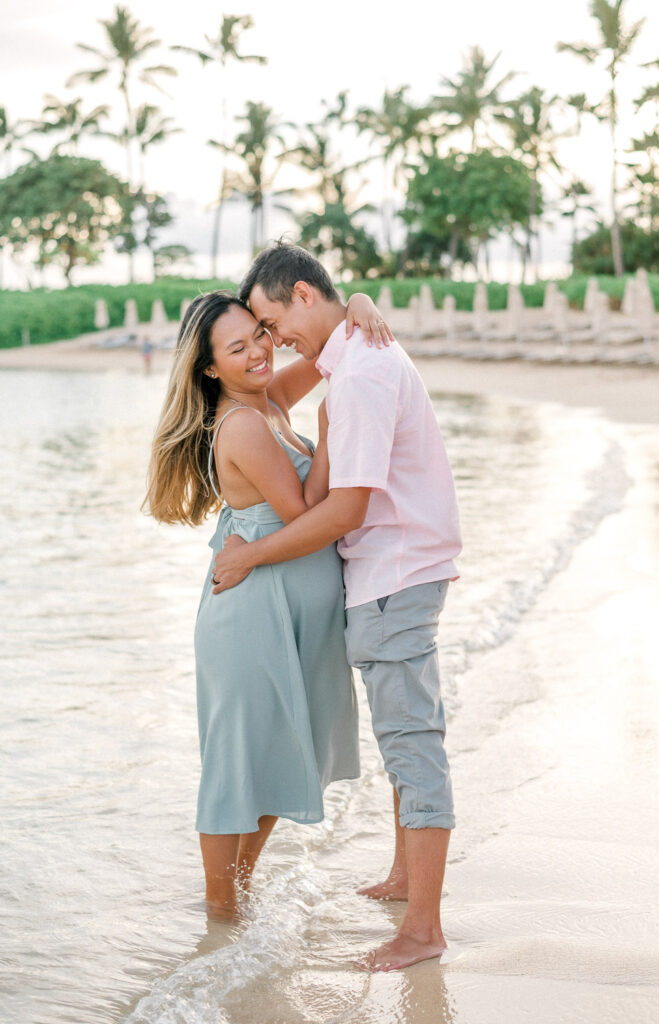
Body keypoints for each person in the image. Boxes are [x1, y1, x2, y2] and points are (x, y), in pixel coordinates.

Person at [212, 242, 462, 970]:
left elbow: (345, 509)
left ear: (300, 294)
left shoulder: (358, 374)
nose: (269, 339)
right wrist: (354, 302)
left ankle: (422, 930)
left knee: (413, 748)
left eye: (268, 320)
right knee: (399, 738)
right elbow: (287, 387)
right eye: (254, 333)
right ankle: (402, 878)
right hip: (397, 574)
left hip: (393, 576)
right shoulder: (354, 348)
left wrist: (251, 553)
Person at [144, 287, 393, 919]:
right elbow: (305, 513)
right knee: (236, 766)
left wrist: (356, 301)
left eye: (259, 333)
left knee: (277, 758)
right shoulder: (245, 424)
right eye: (238, 347)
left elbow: (328, 352)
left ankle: (237, 900)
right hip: (253, 616)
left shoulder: (271, 400)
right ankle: (220, 918)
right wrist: (333, 432)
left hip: (287, 610)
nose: (259, 350)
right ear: (209, 368)